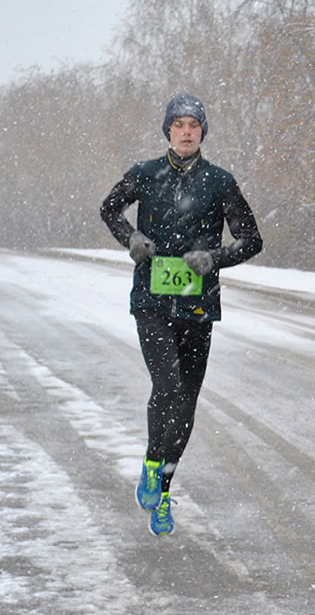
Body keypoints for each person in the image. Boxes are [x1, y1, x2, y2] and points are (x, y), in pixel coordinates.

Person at [100, 92, 263, 536]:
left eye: (194, 126)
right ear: (168, 131)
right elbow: (109, 209)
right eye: (179, 125)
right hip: (151, 300)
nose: (186, 132)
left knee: (186, 401)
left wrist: (214, 258)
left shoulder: (219, 182)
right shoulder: (145, 174)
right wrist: (131, 238)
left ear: (202, 132)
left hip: (198, 305)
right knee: (168, 385)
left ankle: (164, 489)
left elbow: (251, 239)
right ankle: (153, 463)